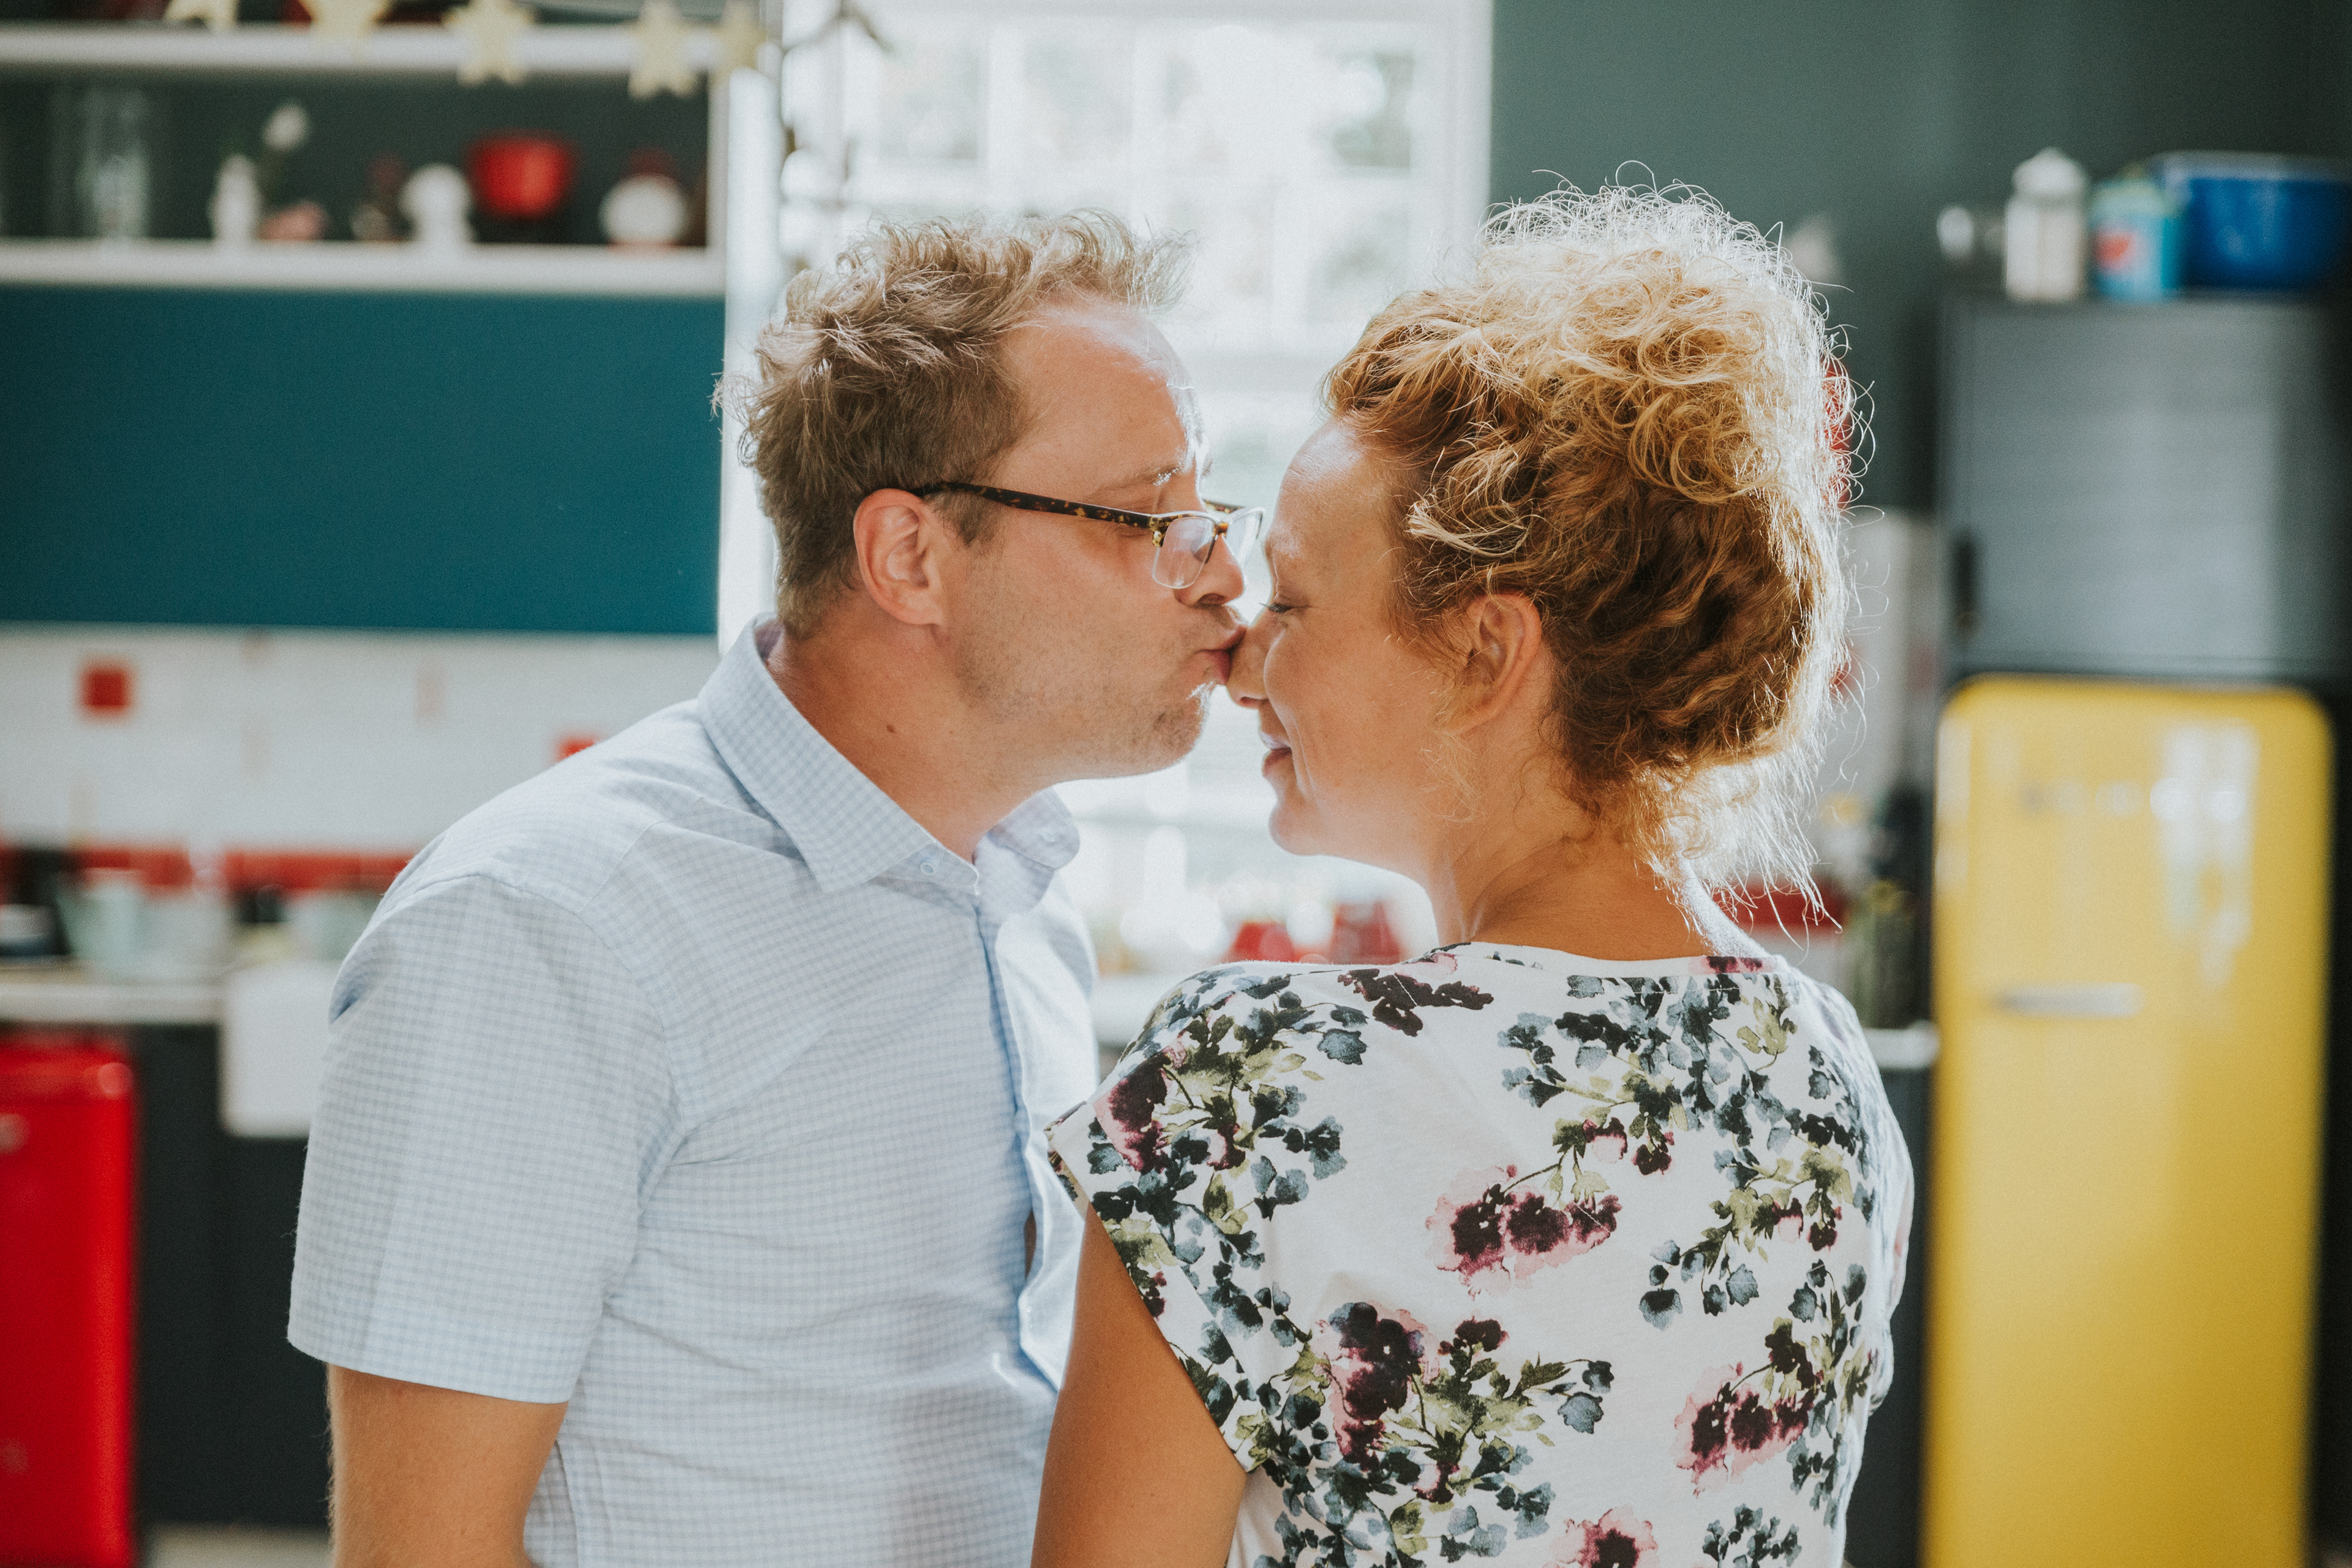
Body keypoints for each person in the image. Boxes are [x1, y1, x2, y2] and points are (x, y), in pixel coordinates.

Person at [288, 211, 1259, 1567]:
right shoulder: (541, 924)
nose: (1223, 573)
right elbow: (420, 1555)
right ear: (911, 557)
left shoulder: (1020, 895)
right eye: (1152, 518)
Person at [1035, 187, 1912, 1568]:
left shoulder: (1244, 1089)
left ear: (1487, 653)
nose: (1245, 655)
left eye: (1296, 599)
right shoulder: (1825, 1078)